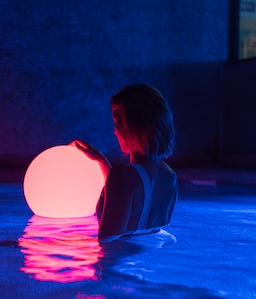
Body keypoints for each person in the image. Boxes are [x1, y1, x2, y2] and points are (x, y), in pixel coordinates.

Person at [71, 83, 177, 242]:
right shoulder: (170, 176)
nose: (114, 131)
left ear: (132, 126)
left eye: (116, 122)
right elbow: (134, 196)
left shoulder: (123, 177)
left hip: (117, 264)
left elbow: (107, 244)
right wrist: (101, 160)